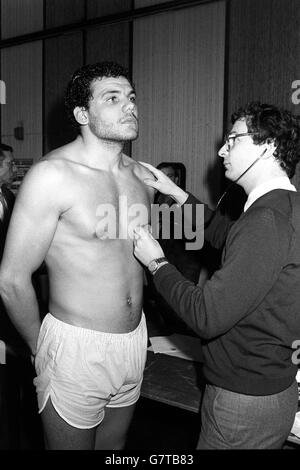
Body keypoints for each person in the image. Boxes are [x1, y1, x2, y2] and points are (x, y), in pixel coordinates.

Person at [0, 61, 155, 450]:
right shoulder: (52, 176)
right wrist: (41, 349)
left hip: (134, 339)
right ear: (82, 114)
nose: (130, 106)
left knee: (113, 449)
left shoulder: (141, 177)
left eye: (131, 97)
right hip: (75, 346)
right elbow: (12, 280)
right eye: (113, 98)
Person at [133, 102, 300, 449]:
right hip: (266, 391)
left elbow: (206, 316)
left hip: (243, 401)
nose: (222, 149)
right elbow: (222, 232)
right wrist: (175, 192)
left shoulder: (265, 222)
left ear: (267, 147)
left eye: (233, 140)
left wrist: (156, 264)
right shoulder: (280, 207)